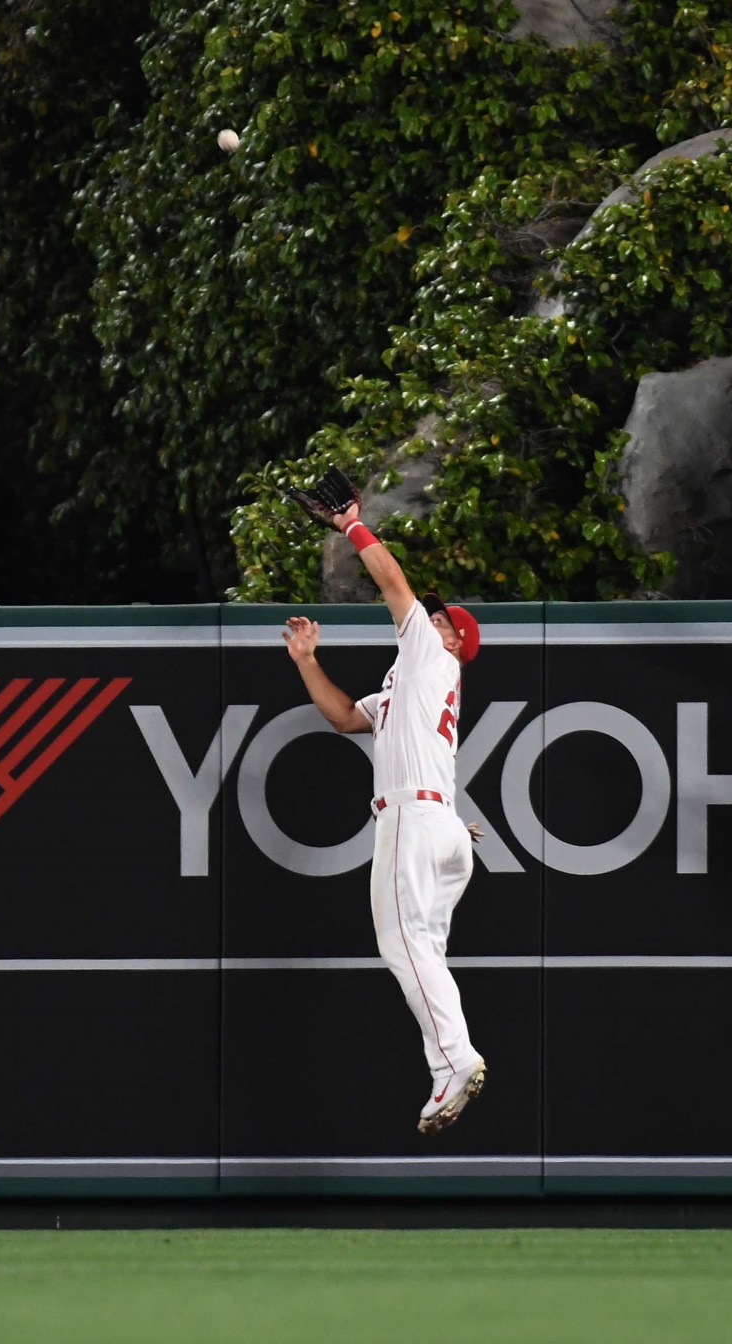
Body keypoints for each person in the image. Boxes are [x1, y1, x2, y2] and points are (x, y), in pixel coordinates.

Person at [281, 484, 486, 1134]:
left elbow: (394, 582)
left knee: (402, 942)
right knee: (424, 950)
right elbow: (345, 718)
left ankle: (455, 1060)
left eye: (441, 618)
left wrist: (352, 527)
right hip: (445, 830)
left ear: (452, 640)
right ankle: (447, 1066)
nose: (430, 617)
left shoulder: (432, 656)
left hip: (412, 820)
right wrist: (308, 663)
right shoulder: (407, 681)